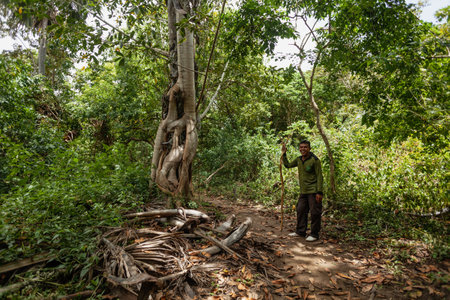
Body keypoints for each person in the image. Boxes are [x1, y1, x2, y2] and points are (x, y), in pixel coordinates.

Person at [281, 140, 324, 242]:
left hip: (313, 191)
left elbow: (319, 176)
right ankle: (300, 232)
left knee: (314, 212)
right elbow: (287, 165)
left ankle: (314, 234)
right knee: (300, 210)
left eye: (305, 147)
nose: (303, 149)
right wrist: (284, 154)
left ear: (309, 148)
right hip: (303, 191)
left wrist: (319, 192)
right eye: (301, 147)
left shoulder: (315, 160)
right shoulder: (299, 160)